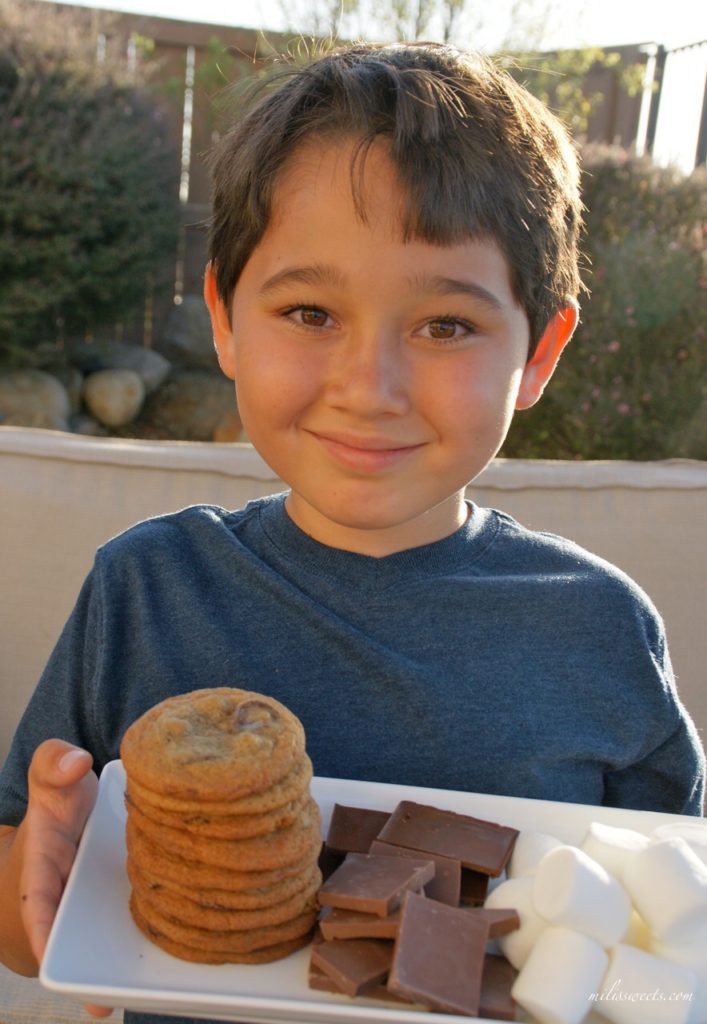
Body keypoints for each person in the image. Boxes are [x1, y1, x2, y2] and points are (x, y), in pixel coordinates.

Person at [0, 41, 704, 1024]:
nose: (367, 389)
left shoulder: (598, 629)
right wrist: (42, 875)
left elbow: (674, 938)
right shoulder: (145, 589)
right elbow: (22, 912)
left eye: (446, 325)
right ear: (226, 322)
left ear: (538, 352)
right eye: (308, 310)